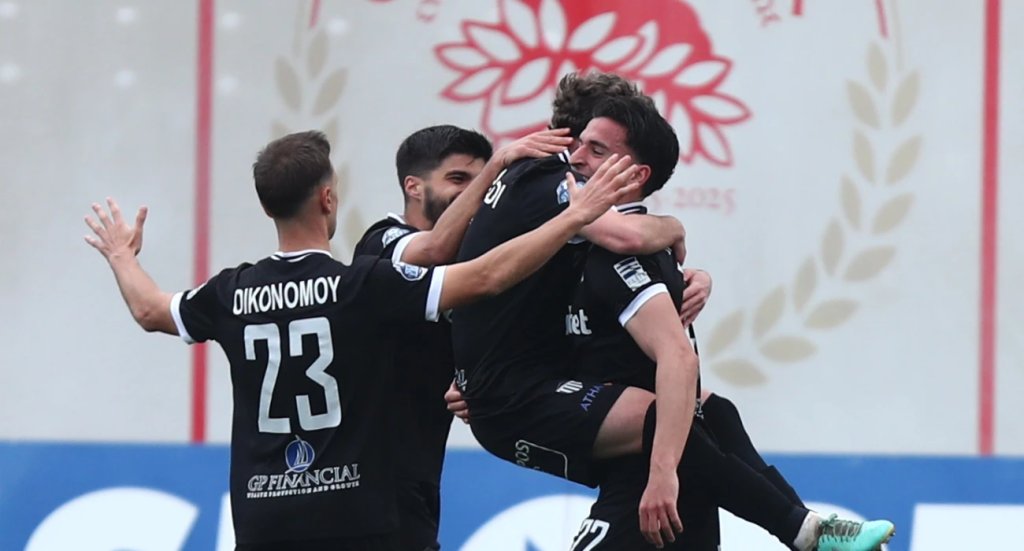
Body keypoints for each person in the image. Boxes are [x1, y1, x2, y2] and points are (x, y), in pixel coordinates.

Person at [83, 129, 640, 551]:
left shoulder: (231, 293)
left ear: (267, 205)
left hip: (262, 519)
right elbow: (488, 276)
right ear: (329, 200)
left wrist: (121, 255)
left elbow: (150, 310)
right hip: (363, 516)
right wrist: (573, 218)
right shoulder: (361, 285)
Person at [448, 75, 895, 550]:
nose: (578, 157)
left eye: (594, 149)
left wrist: (686, 271)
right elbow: (625, 243)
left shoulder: (579, 227)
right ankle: (806, 533)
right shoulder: (560, 188)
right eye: (581, 145)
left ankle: (811, 531)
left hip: (545, 396)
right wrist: (675, 227)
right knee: (668, 418)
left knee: (710, 412)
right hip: (515, 399)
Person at [352, 124, 572, 550]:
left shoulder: (478, 259)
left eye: (480, 180)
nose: (473, 191)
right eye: (458, 179)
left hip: (417, 470)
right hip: (365, 474)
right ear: (413, 187)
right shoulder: (382, 242)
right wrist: (497, 167)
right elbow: (434, 250)